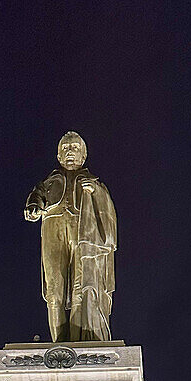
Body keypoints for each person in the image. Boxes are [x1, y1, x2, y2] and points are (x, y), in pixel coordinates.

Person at [24, 132, 117, 342]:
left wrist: (95, 193)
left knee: (80, 287)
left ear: (83, 156)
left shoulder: (94, 183)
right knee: (54, 288)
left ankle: (77, 340)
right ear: (59, 156)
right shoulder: (49, 182)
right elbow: (35, 197)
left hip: (82, 230)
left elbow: (107, 211)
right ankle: (59, 343)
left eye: (75, 148)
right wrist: (33, 206)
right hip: (53, 229)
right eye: (65, 148)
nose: (70, 152)